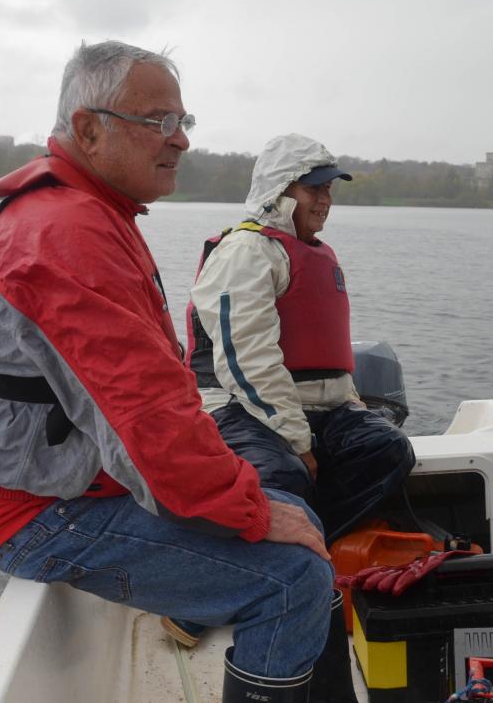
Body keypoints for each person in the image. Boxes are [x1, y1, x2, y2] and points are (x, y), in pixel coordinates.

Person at [0, 42, 335, 703]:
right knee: (294, 577)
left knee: (295, 514)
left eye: (183, 121)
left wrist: (255, 502)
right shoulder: (64, 233)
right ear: (89, 129)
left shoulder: (88, 212)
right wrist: (250, 508)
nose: (180, 139)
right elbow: (148, 422)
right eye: (158, 121)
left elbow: (148, 405)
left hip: (72, 483)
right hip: (36, 512)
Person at [175, 134, 416, 691]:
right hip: (240, 405)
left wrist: (352, 407)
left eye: (328, 190)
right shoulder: (246, 252)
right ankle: (213, 592)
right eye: (314, 189)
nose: (325, 201)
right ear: (279, 192)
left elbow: (329, 356)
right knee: (281, 477)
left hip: (320, 406)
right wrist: (298, 440)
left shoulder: (315, 253)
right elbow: (247, 361)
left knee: (387, 450)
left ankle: (298, 566)